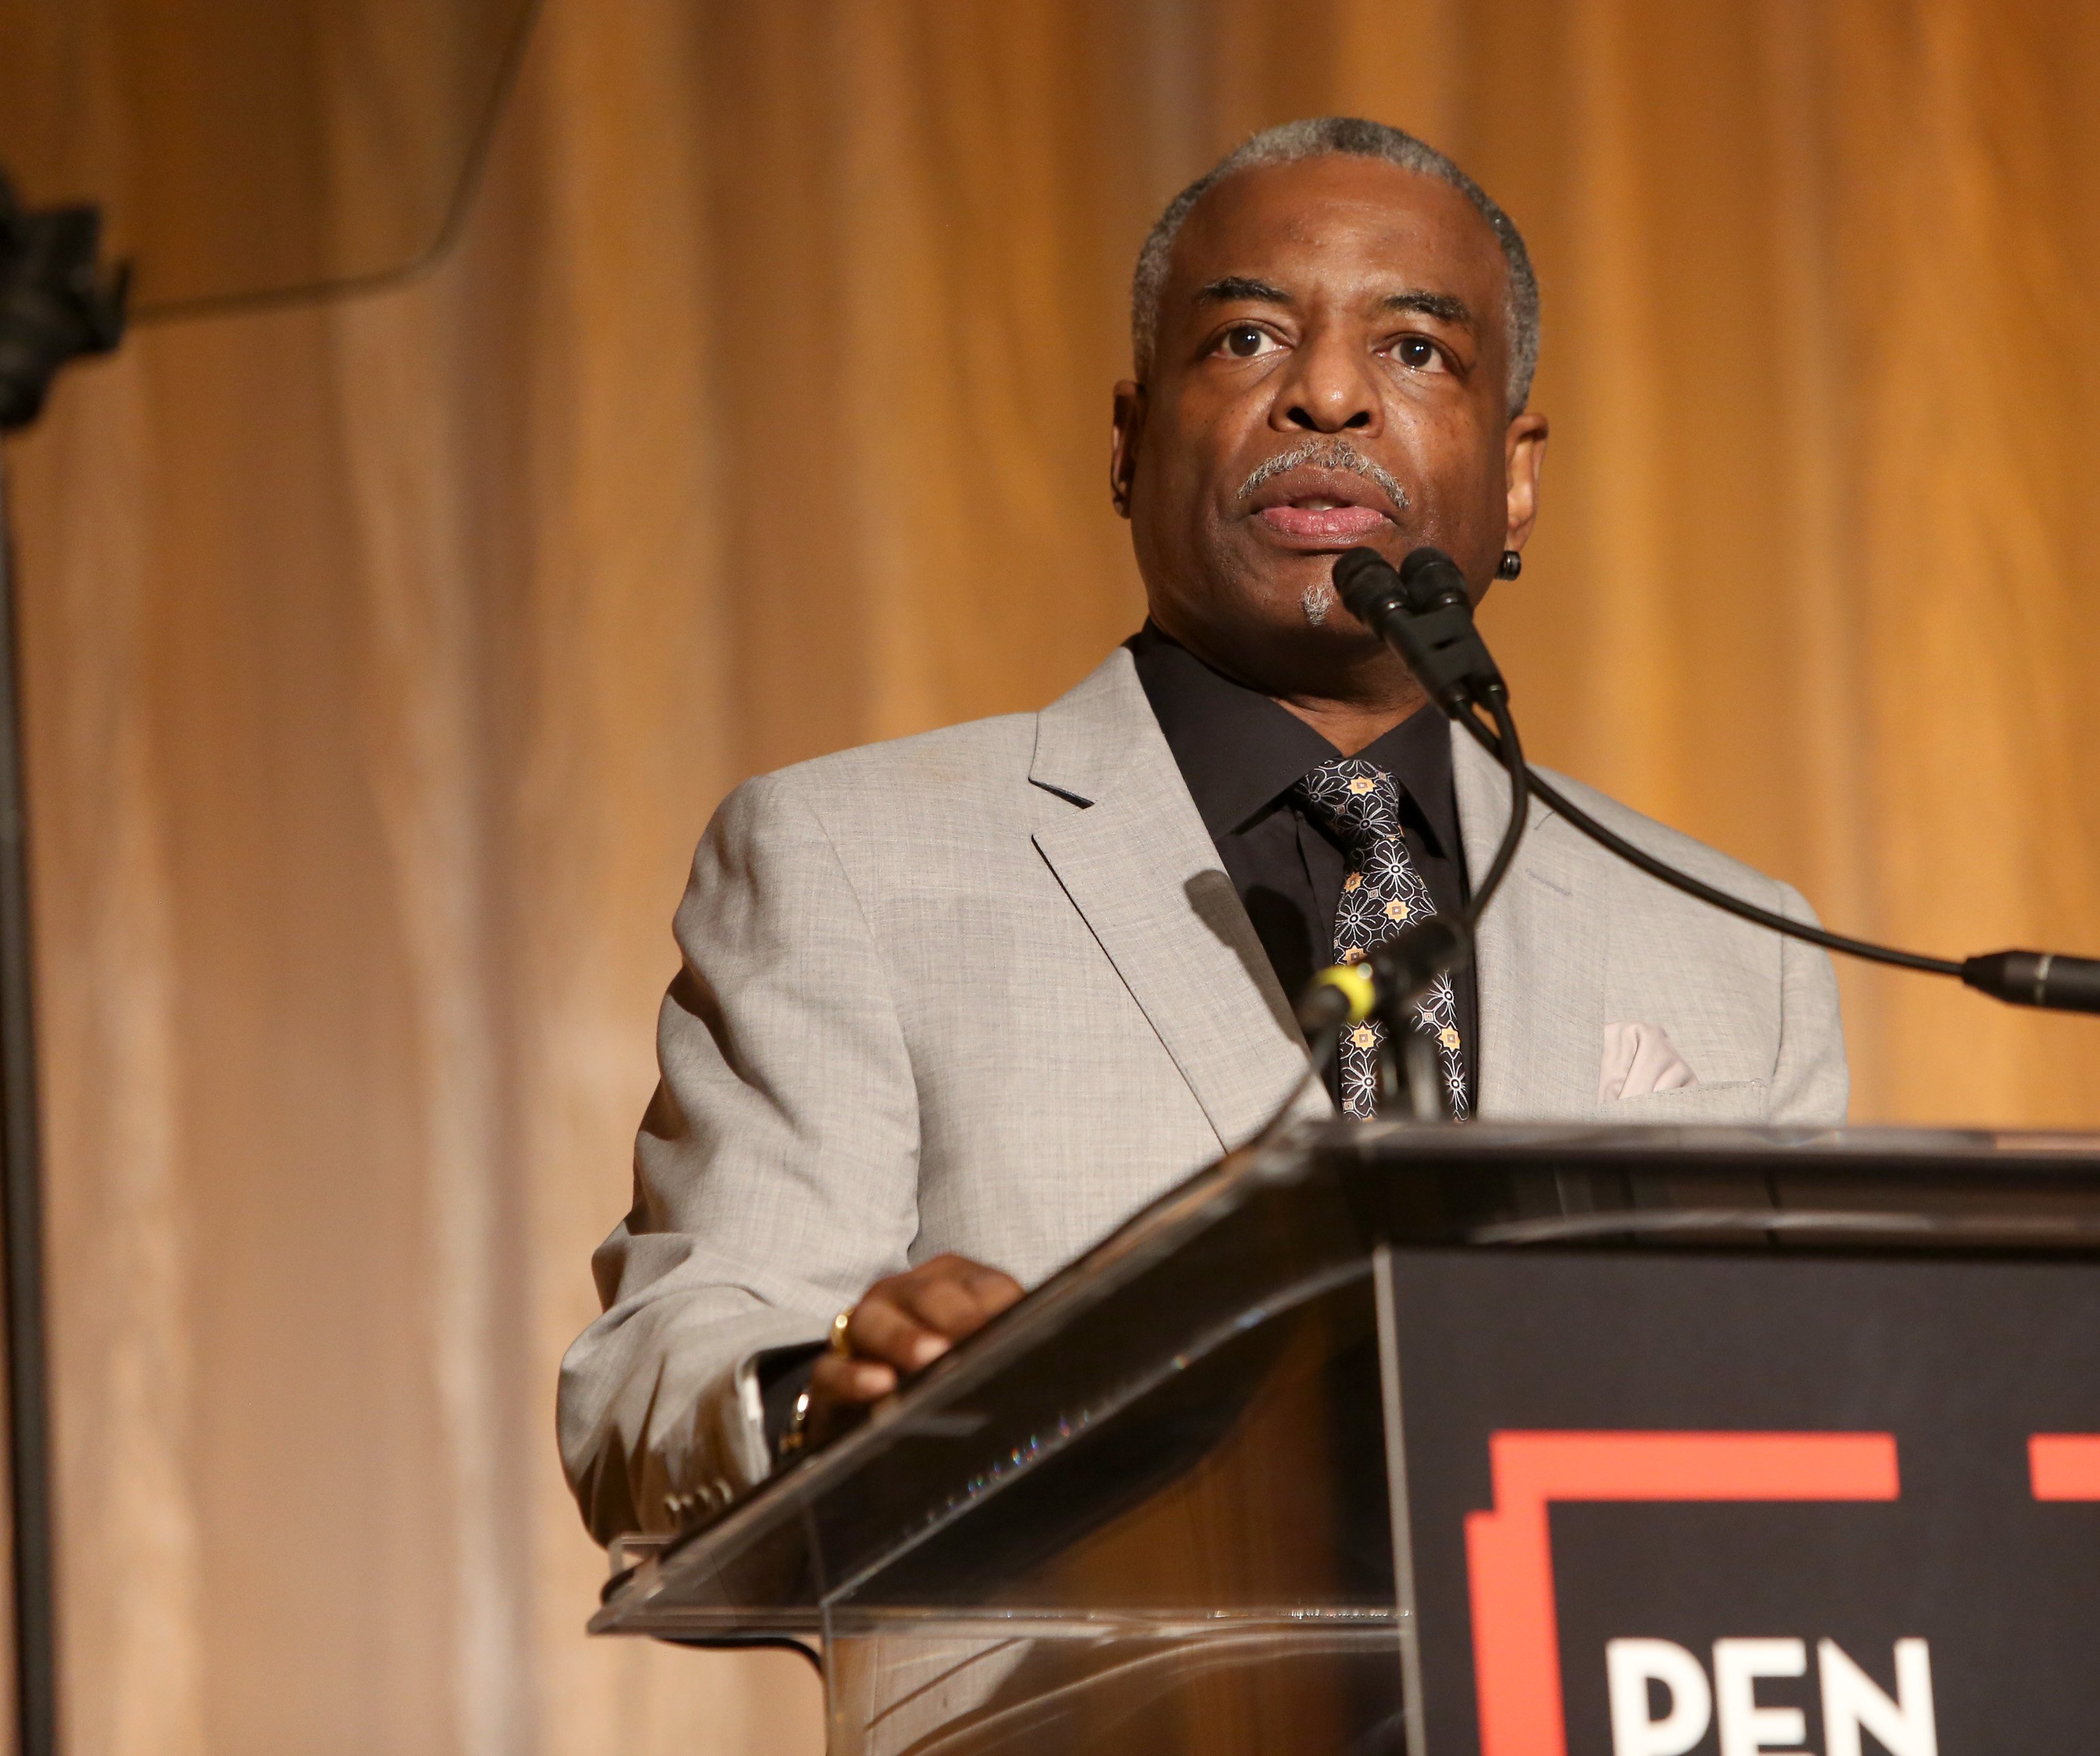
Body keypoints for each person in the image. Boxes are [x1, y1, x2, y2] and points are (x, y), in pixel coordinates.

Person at [558, 118, 1848, 1541]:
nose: (1331, 396)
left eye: (1416, 350)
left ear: (1519, 472)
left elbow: (1812, 1450)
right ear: (1125, 442)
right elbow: (655, 1378)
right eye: (1244, 341)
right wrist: (835, 1401)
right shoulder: (850, 862)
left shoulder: (1734, 943)